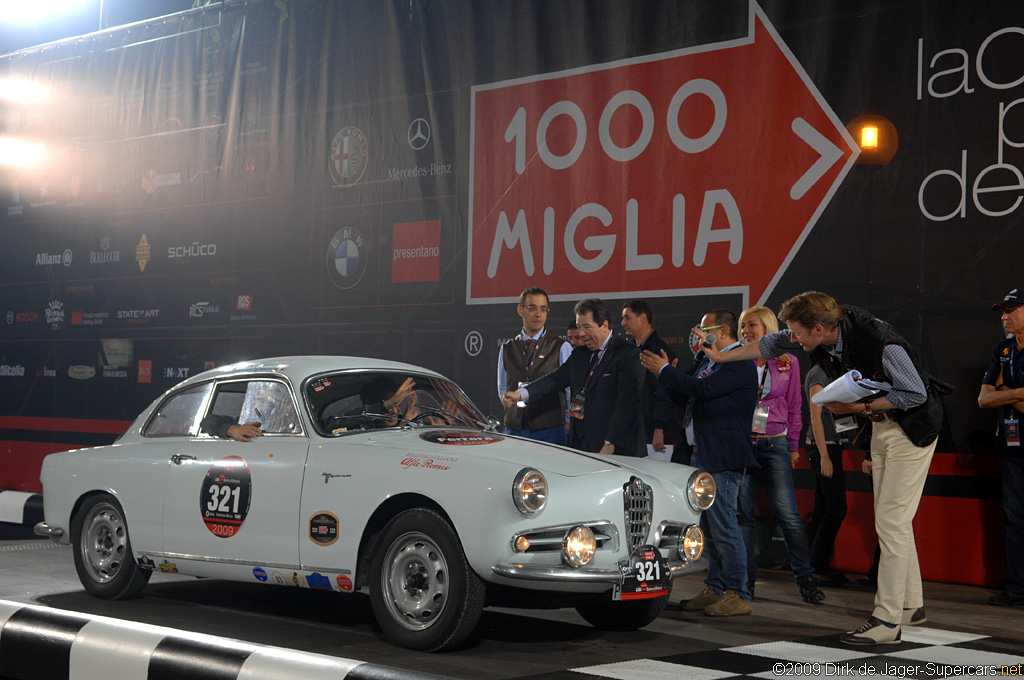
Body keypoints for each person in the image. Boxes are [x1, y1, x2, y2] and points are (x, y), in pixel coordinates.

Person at [696, 291, 949, 644]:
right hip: (883, 425)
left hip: (914, 427)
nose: (793, 341)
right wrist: (723, 356)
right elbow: (770, 344)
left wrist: (859, 409)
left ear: (818, 328)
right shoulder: (821, 331)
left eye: (797, 334)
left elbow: (916, 393)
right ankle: (912, 605)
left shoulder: (881, 342)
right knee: (893, 520)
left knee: (891, 522)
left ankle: (888, 622)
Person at [640, 308, 758, 616]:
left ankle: (738, 593)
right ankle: (716, 587)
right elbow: (688, 395)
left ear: (722, 332)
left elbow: (704, 390)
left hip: (722, 454)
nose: (697, 333)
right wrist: (665, 375)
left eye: (704, 328)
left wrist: (667, 372)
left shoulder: (740, 361)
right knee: (707, 527)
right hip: (699, 453)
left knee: (724, 526)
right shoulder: (708, 360)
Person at [735, 306, 824, 605]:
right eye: (743, 326)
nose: (746, 331)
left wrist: (795, 446)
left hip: (775, 443)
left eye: (753, 325)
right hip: (743, 446)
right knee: (744, 516)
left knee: (788, 515)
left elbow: (796, 406)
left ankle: (805, 578)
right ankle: (746, 581)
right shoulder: (737, 358)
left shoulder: (789, 361)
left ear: (769, 328)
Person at [503, 298, 645, 456]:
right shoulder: (579, 354)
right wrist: (520, 394)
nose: (582, 334)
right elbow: (555, 379)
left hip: (614, 448)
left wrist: (610, 443)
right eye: (578, 327)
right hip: (581, 444)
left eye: (587, 327)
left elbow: (627, 405)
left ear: (604, 325)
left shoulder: (628, 354)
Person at [977, 288, 1024, 607]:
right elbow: (983, 398)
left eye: (1011, 310)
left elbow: (994, 394)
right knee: (1016, 518)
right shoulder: (1004, 349)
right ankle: (1016, 587)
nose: (1004, 317)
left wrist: (1004, 390)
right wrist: (1017, 392)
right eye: (1002, 311)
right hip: (1012, 450)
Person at [497, 287, 572, 445]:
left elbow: (569, 389)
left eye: (543, 309)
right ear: (520, 310)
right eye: (532, 308)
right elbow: (503, 387)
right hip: (514, 428)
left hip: (549, 429)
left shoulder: (561, 346)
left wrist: (567, 420)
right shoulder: (507, 348)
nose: (538, 314)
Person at [805, 360, 850, 588]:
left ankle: (816, 566)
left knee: (824, 507)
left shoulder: (832, 373)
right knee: (836, 507)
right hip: (823, 446)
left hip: (833, 445)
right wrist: (824, 454)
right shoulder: (819, 373)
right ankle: (816, 565)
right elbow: (815, 416)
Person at [621, 299, 679, 455]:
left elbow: (665, 392)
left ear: (643, 318)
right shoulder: (628, 351)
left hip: (651, 432)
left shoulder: (660, 353)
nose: (622, 323)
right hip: (630, 428)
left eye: (627, 318)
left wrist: (659, 428)